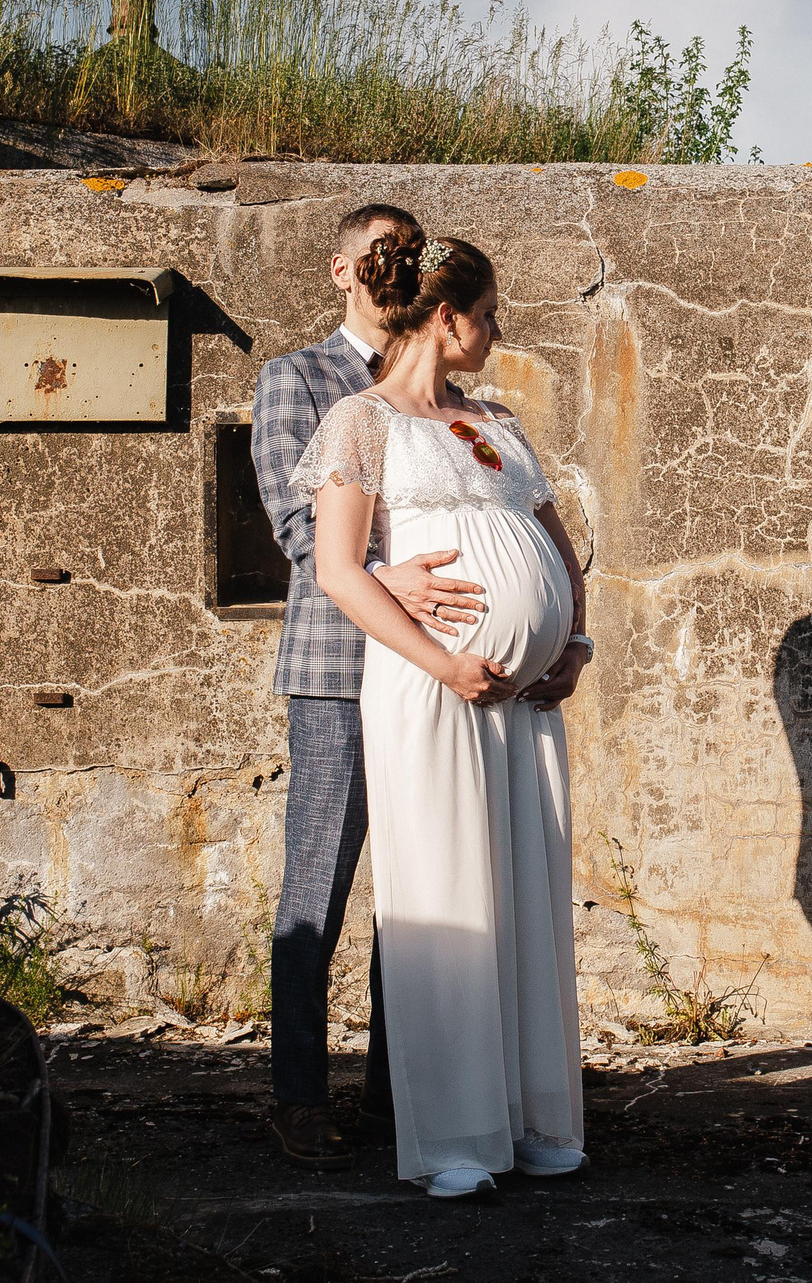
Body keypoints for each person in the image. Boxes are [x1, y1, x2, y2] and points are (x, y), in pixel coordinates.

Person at [290, 230, 594, 1199]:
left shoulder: (498, 422)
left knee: (526, 896)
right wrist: (443, 661)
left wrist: (571, 645)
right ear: (448, 317)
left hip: (524, 701)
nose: (498, 334)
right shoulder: (361, 422)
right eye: (491, 317)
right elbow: (340, 570)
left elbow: (555, 543)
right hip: (432, 685)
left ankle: (533, 1117)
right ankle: (458, 1139)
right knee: (448, 894)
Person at [251, 203, 497, 1172]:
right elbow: (290, 515)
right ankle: (299, 1096)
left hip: (430, 672)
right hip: (336, 669)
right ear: (341, 269)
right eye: (377, 251)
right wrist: (373, 573)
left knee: (420, 885)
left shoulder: (439, 392)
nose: (389, 264)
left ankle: (402, 1095)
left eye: (404, 250)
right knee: (318, 884)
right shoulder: (295, 379)